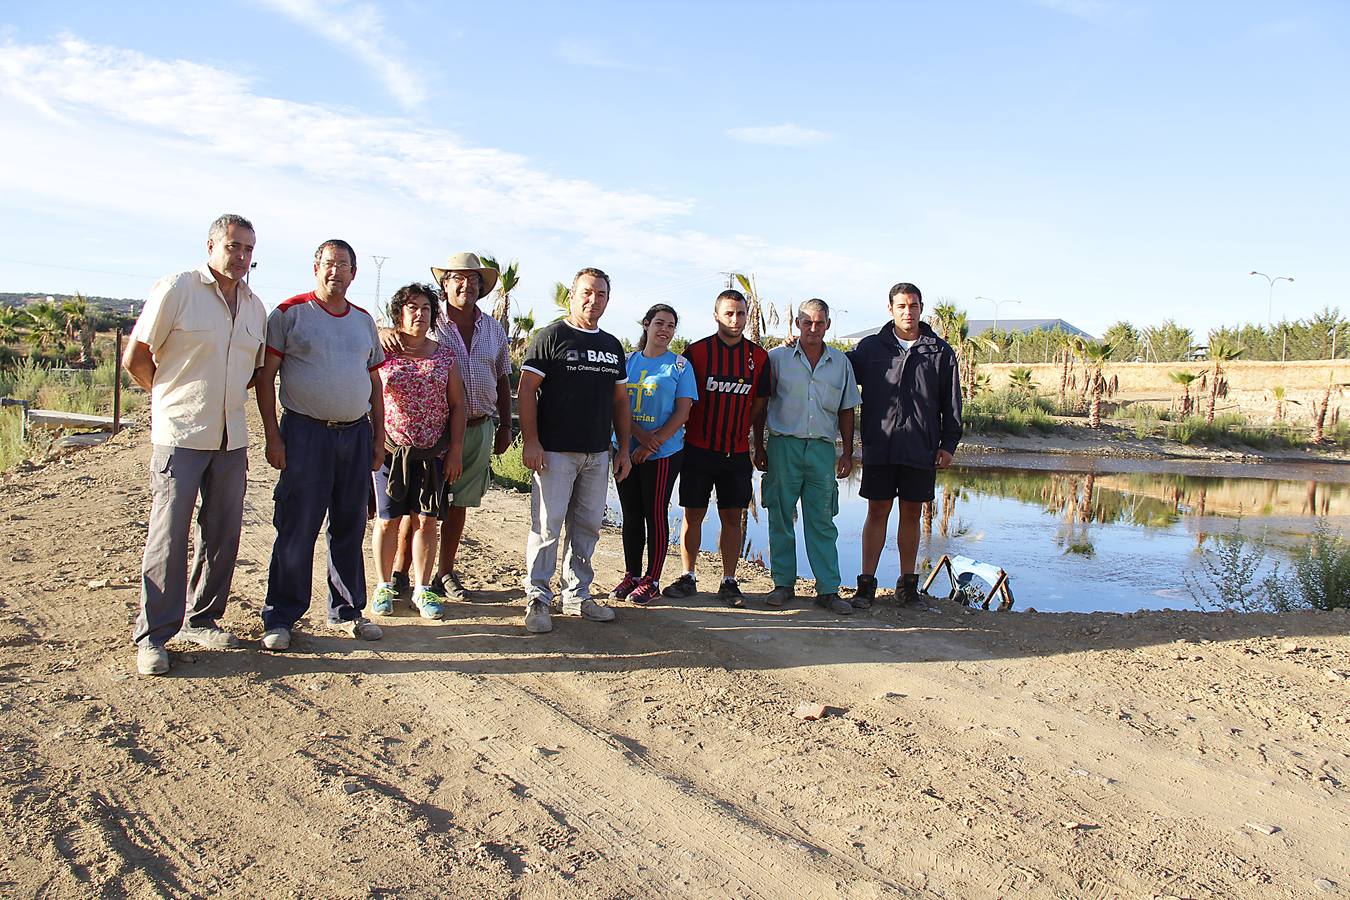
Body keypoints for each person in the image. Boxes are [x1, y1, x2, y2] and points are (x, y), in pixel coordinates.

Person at [122, 214, 267, 676]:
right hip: (181, 435)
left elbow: (253, 373)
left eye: (248, 249)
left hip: (231, 438)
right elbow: (136, 357)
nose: (241, 257)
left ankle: (203, 619)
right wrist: (167, 401)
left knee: (222, 533)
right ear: (210, 246)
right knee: (169, 533)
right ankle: (153, 636)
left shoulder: (255, 307)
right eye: (233, 246)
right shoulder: (178, 289)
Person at [255, 239, 387, 650]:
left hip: (354, 434)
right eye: (329, 264)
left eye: (343, 265)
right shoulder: (289, 314)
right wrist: (272, 436)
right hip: (305, 434)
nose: (336, 272)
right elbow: (265, 378)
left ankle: (347, 611)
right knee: (296, 527)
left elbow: (375, 384)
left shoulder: (363, 321)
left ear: (354, 273)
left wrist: (378, 440)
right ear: (316, 267)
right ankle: (281, 616)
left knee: (348, 526)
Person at [381, 252, 513, 601]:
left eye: (473, 280)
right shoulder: (428, 319)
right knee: (417, 504)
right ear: (445, 284)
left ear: (482, 288)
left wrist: (505, 427)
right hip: (433, 432)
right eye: (457, 278)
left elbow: (502, 377)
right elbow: (393, 337)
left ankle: (445, 573)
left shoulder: (494, 329)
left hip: (480, 426)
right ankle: (399, 571)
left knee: (459, 504)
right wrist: (382, 332)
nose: (466, 285)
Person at [518, 267, 632, 633]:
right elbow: (525, 391)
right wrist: (532, 441)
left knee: (587, 526)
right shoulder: (551, 337)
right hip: (554, 453)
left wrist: (623, 449)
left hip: (597, 454)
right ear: (572, 294)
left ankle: (577, 594)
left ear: (607, 300)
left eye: (600, 294)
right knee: (547, 526)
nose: (592, 300)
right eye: (586, 292)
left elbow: (620, 402)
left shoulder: (613, 346)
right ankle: (538, 596)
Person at [847, 282, 962, 606]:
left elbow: (951, 404)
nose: (907, 312)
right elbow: (835, 370)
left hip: (920, 448)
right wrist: (799, 346)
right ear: (890, 309)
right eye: (901, 306)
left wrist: (948, 444)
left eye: (913, 306)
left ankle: (907, 586)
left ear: (920, 308)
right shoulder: (870, 349)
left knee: (912, 513)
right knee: (878, 510)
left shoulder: (940, 352)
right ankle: (866, 585)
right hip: (880, 446)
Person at [662, 290, 771, 607]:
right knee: (692, 514)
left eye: (740, 313)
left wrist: (753, 440)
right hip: (698, 449)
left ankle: (728, 580)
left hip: (735, 453)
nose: (735, 320)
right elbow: (682, 398)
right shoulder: (697, 353)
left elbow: (760, 403)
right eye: (729, 313)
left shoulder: (758, 357)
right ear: (716, 315)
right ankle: (688, 575)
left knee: (732, 516)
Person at [753, 299, 860, 615]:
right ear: (797, 324)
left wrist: (848, 452)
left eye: (819, 323)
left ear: (828, 324)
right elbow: (761, 405)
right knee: (781, 515)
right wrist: (759, 446)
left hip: (821, 450)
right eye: (806, 322)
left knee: (822, 519)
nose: (813, 329)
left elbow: (846, 408)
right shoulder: (777, 359)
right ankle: (783, 584)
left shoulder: (840, 363)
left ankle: (827, 589)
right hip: (783, 446)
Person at [369, 283, 466, 620]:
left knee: (426, 522)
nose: (420, 314)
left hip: (432, 455)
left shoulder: (444, 355)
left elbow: (457, 404)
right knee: (387, 521)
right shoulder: (382, 350)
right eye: (412, 308)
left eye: (426, 308)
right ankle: (383, 585)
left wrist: (455, 450)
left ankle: (422, 590)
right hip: (390, 452)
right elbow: (371, 397)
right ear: (399, 313)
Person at [613, 304, 698, 604]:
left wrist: (653, 443)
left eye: (671, 325)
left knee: (655, 513)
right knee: (631, 515)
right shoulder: (628, 362)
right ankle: (632, 575)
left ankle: (652, 580)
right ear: (646, 325)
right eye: (659, 323)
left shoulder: (679, 366)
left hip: (663, 453)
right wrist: (637, 438)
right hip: (626, 449)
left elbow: (683, 411)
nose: (664, 330)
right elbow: (618, 404)